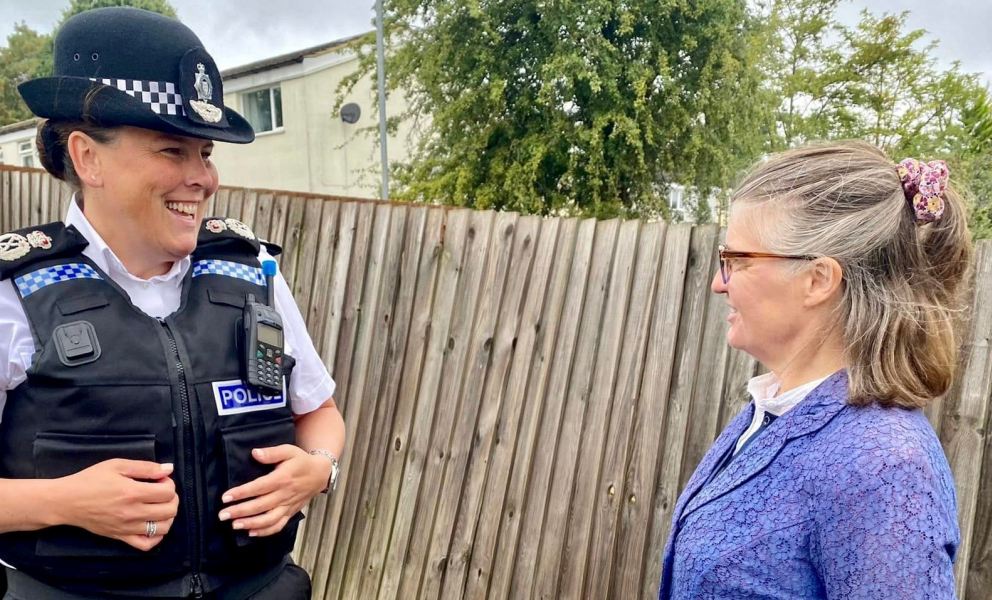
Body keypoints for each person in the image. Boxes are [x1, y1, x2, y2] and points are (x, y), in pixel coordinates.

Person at [0, 7, 345, 599]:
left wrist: (316, 469)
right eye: (172, 151)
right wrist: (64, 501)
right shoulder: (14, 296)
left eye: (205, 153)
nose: (203, 177)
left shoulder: (253, 274)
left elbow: (321, 414)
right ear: (88, 158)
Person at [659, 141, 970, 599]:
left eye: (738, 260)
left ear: (818, 280)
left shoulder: (883, 465)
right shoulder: (773, 412)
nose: (718, 282)